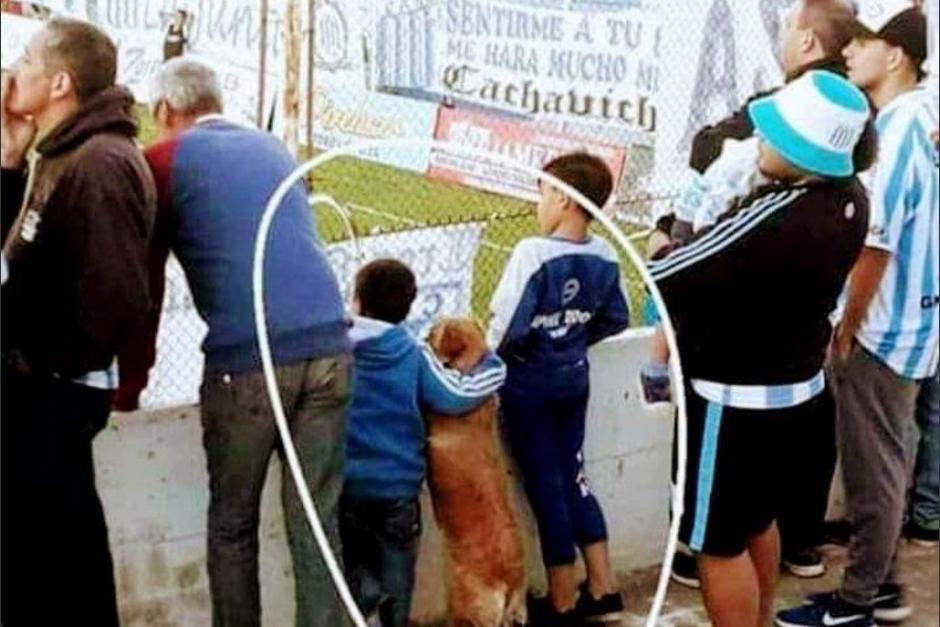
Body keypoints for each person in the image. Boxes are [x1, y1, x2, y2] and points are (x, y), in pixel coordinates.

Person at [117, 58, 351, 627]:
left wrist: (131, 384)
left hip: (248, 360)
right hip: (330, 345)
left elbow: (145, 287)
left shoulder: (163, 162)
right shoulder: (272, 146)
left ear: (163, 111)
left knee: (232, 524)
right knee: (316, 521)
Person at [650, 70, 875, 627]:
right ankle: (763, 617)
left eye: (774, 135)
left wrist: (666, 237)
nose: (762, 143)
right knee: (757, 519)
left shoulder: (774, 216)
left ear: (804, 151)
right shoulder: (851, 201)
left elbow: (669, 272)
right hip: (796, 393)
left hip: (733, 404)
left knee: (717, 541)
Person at [777, 5, 938, 627]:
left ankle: (859, 601)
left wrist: (846, 326)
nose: (848, 52)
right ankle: (885, 585)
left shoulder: (900, 131)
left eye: (863, 43)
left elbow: (877, 243)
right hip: (915, 324)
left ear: (895, 56)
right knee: (891, 457)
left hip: (885, 327)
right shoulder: (923, 118)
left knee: (875, 470)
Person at [0, 18, 156, 627]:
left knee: (61, 565)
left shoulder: (101, 164)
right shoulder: (61, 156)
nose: (14, 74)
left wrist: (45, 364)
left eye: (27, 62)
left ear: (61, 82)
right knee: (34, 561)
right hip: (36, 389)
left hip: (52, 393)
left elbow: (118, 299)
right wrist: (9, 161)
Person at [488, 152, 631, 624]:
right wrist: (573, 339)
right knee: (576, 474)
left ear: (566, 200)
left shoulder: (532, 253)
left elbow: (506, 328)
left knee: (546, 485)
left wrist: (523, 349)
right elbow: (618, 317)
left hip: (530, 384)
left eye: (544, 192)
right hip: (575, 377)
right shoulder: (607, 255)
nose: (539, 203)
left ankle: (563, 599)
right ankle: (604, 586)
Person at [340, 258, 506, 627]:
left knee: (356, 569)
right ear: (408, 308)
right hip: (398, 491)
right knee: (398, 581)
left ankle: (363, 599)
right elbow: (455, 395)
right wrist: (493, 367)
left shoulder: (337, 352)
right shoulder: (412, 356)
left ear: (356, 301)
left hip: (348, 488)